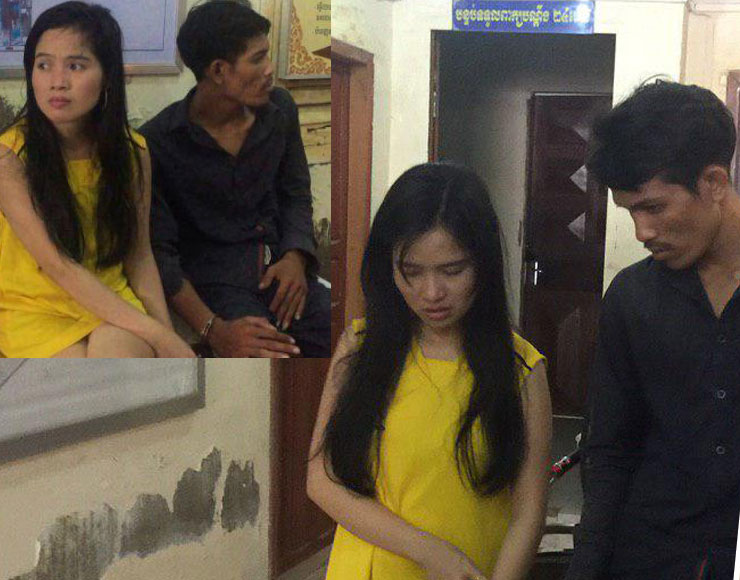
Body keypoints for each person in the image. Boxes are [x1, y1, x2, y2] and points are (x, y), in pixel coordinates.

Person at [563, 80, 740, 579]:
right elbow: (610, 451)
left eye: (654, 207)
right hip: (650, 556)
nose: (642, 232)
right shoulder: (632, 297)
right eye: (630, 211)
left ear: (714, 182)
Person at [307, 163, 553, 580]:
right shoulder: (360, 348)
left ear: (484, 264)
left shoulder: (522, 370)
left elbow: (528, 515)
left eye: (452, 271)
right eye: (412, 271)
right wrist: (428, 551)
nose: (431, 293)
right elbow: (321, 479)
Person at [0, 1, 194, 358]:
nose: (57, 82)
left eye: (75, 65)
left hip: (112, 302)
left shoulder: (132, 151)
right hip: (34, 310)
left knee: (120, 358)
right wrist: (161, 337)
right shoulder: (9, 156)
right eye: (44, 65)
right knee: (85, 382)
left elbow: (139, 255)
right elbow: (57, 265)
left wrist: (165, 334)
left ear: (107, 76)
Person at [142, 0, 330, 358]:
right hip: (217, 285)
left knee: (344, 340)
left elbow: (295, 193)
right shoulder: (158, 142)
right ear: (218, 70)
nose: (270, 69)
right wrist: (212, 328)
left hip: (281, 270)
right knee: (267, 359)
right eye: (258, 59)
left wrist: (296, 256)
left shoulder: (280, 111)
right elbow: (159, 253)